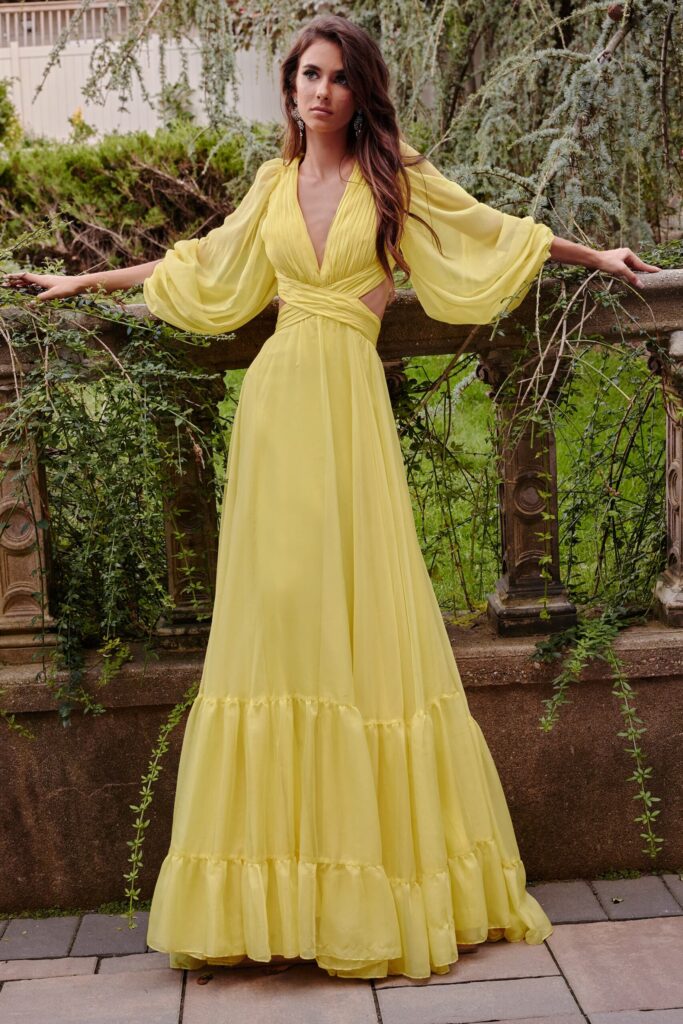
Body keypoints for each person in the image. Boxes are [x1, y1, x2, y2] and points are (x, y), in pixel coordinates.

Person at [2, 15, 662, 981]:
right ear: (291, 87)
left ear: (361, 93)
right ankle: (271, 896)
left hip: (347, 412)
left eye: (337, 78)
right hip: (274, 415)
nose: (319, 91)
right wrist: (82, 278)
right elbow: (199, 266)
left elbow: (491, 230)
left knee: (362, 622)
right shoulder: (271, 186)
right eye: (307, 75)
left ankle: (374, 884)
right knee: (275, 618)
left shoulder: (395, 179)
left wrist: (598, 258)